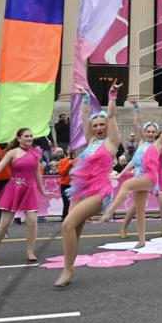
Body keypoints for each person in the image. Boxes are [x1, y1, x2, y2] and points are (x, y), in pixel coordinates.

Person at [53, 81, 124, 288]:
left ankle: (68, 269)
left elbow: (111, 116)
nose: (99, 127)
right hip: (81, 190)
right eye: (96, 125)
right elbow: (83, 118)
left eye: (102, 125)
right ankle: (70, 267)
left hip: (99, 192)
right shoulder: (91, 141)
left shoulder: (111, 144)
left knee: (67, 224)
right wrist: (84, 99)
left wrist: (112, 96)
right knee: (74, 230)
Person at [101, 100, 162, 248]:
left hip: (151, 177)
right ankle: (141, 239)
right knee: (139, 209)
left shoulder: (159, 144)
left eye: (153, 132)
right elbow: (133, 162)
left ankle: (109, 211)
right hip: (139, 175)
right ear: (145, 133)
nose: (150, 134)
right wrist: (137, 110)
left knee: (127, 186)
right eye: (148, 131)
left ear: (157, 133)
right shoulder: (141, 144)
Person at [0, 128, 47, 264]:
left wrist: (42, 190)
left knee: (32, 222)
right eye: (26, 136)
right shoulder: (12, 153)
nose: (29, 138)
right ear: (19, 138)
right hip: (14, 189)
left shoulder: (36, 152)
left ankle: (30, 251)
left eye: (31, 136)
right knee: (4, 224)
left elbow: (37, 173)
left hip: (30, 190)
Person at [58, 150, 74, 220]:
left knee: (76, 203)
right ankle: (65, 217)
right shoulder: (63, 161)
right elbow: (62, 173)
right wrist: (69, 165)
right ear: (67, 150)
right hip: (65, 185)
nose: (72, 151)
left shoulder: (79, 160)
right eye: (71, 149)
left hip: (76, 185)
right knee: (66, 202)